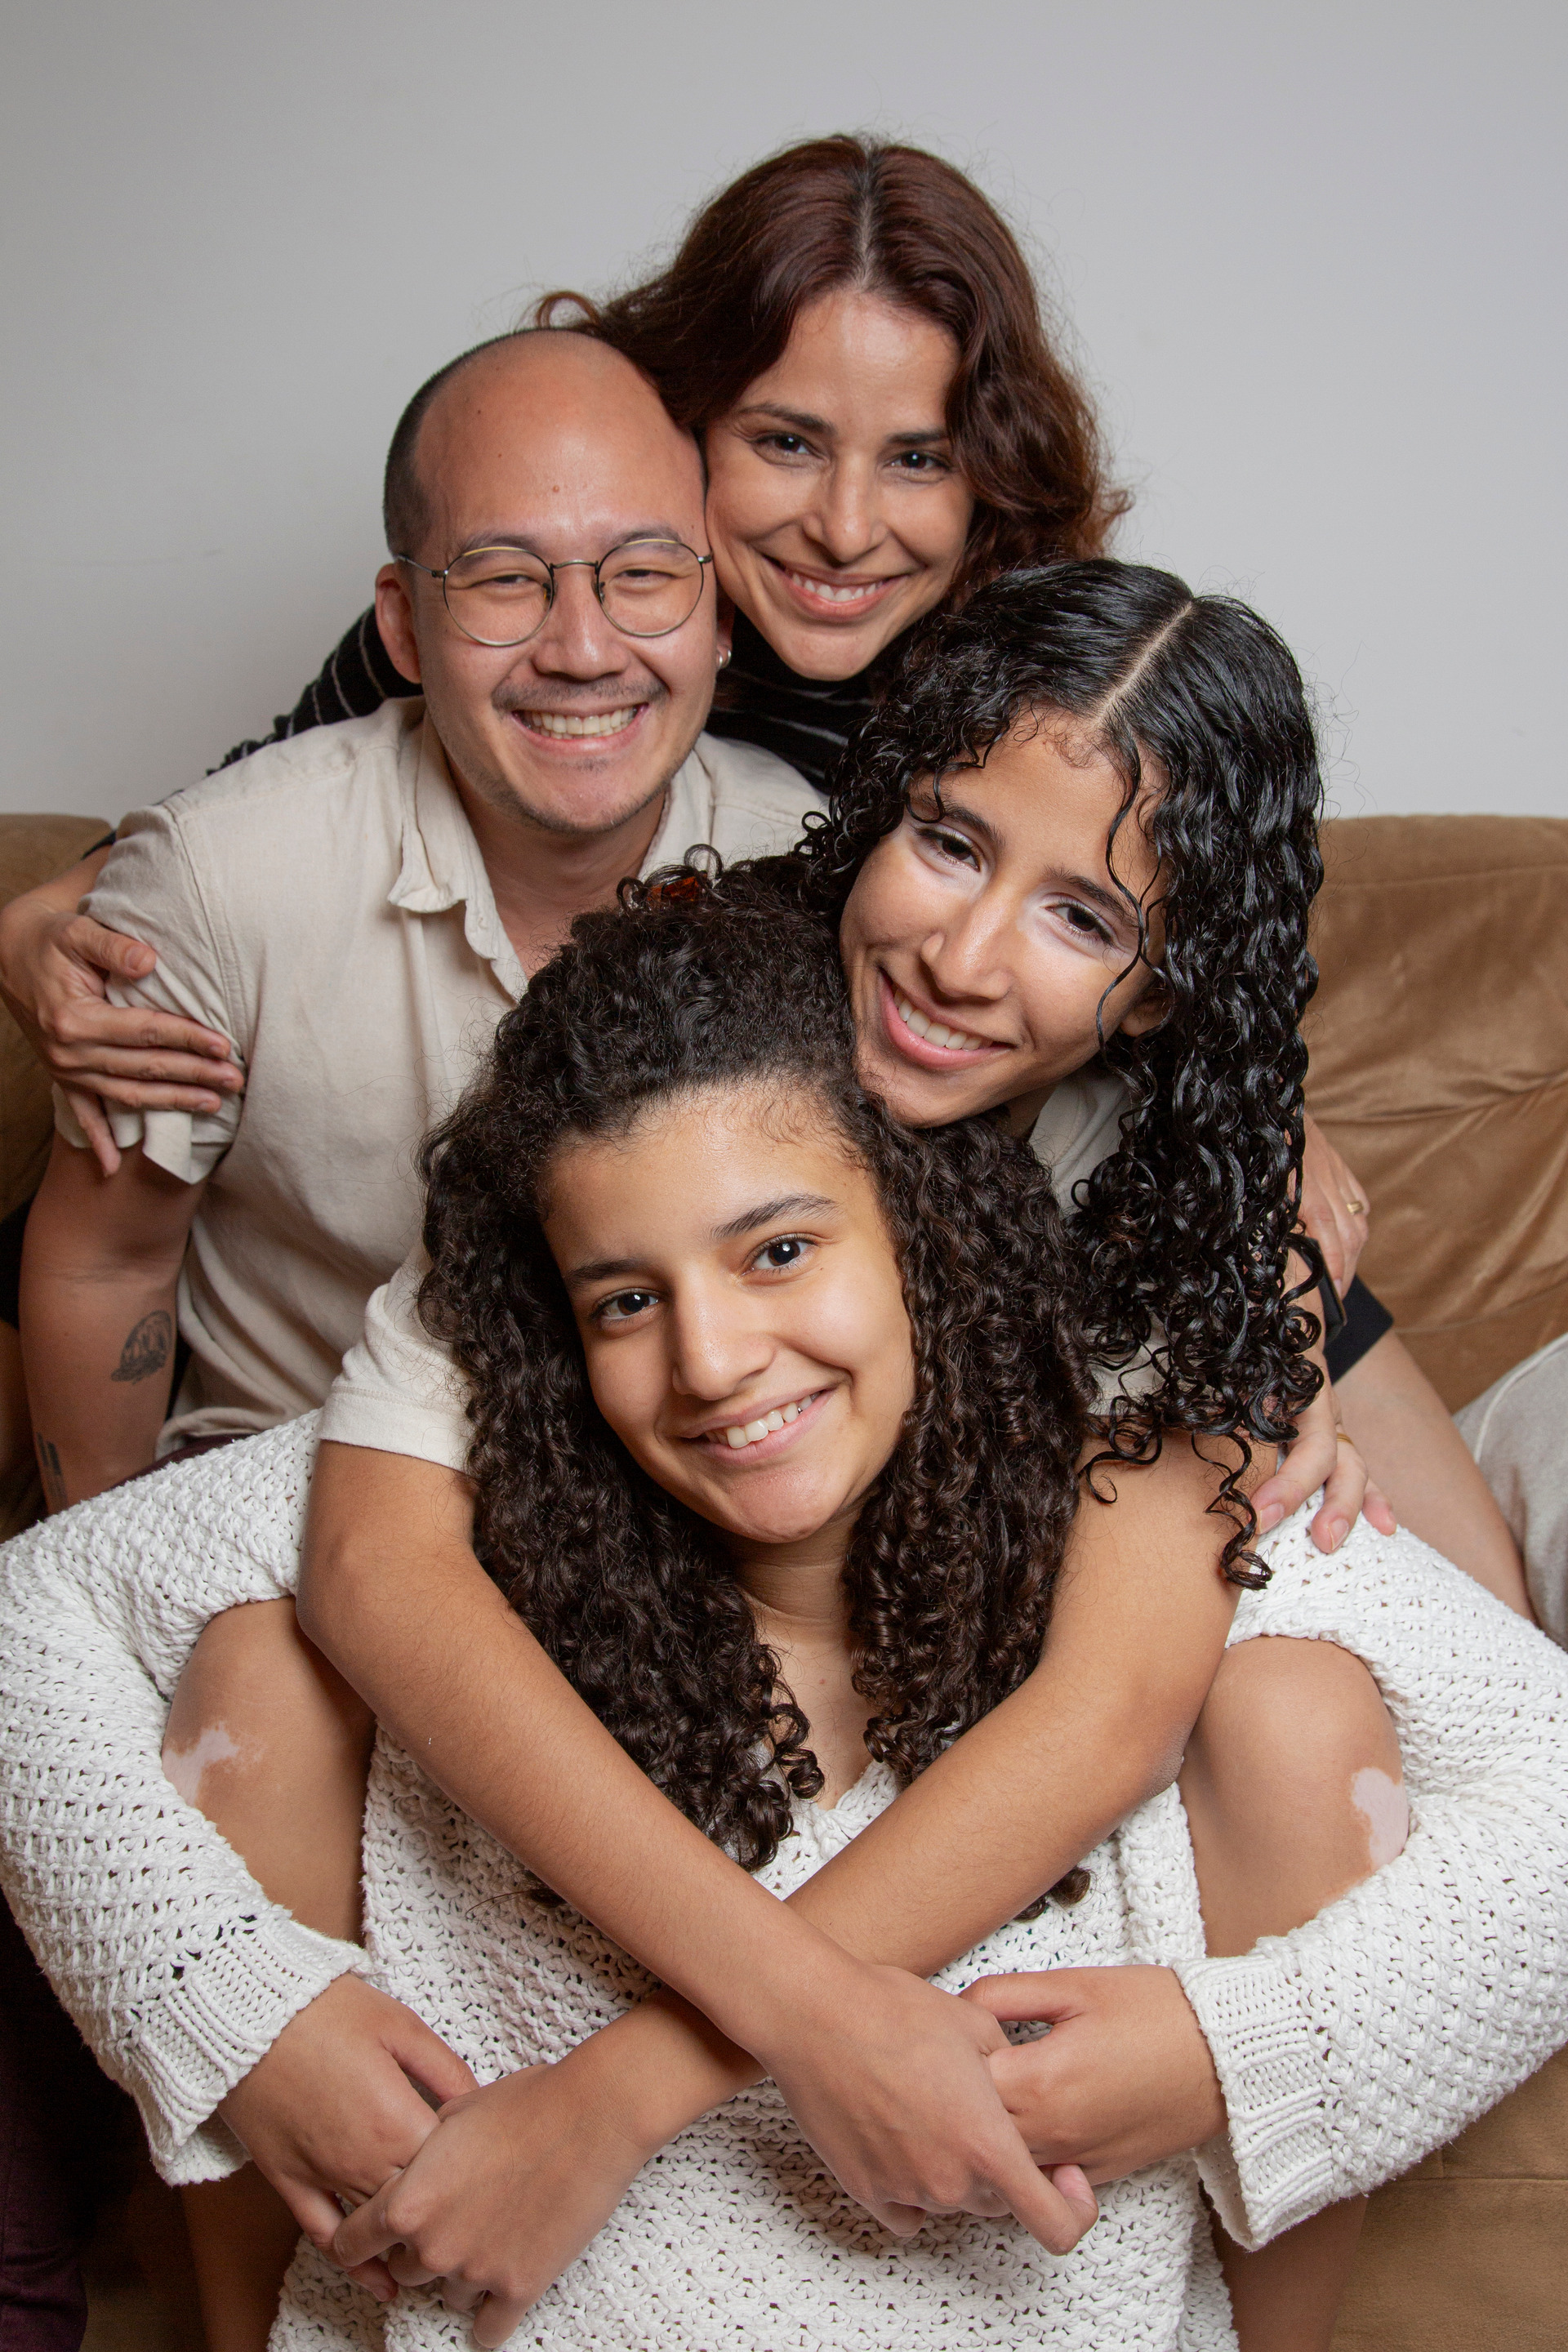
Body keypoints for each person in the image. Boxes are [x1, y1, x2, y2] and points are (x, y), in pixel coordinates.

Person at [2, 889, 1566, 2352]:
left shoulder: (1126, 1491)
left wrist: (1229, 2052)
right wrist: (246, 2012)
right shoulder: (495, 1475)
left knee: (1306, 1701)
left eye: (780, 1251)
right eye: (626, 1299)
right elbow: (25, 1616)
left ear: (920, 1237)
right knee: (249, 1659)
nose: (714, 1360)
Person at [0, 136, 1424, 1529]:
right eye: (787, 442)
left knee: (1387, 1506)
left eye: (919, 457)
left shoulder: (1016, 668)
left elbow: (1151, 916)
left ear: (982, 480)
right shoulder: (542, 628)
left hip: (1038, 1138)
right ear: (678, 432)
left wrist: (1261, 1125)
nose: (847, 528)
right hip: (469, 1357)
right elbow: (231, 832)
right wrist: (32, 929)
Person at [16, 329, 816, 1506]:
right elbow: (108, 1257)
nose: (584, 648)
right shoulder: (222, 876)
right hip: (280, 1511)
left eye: (643, 572)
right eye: (503, 577)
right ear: (400, 624)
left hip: (676, 1525)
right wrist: (100, 1555)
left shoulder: (809, 869)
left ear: (720, 610)